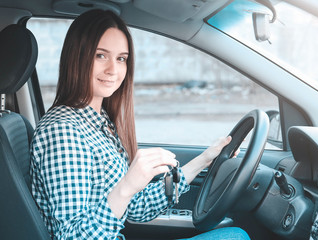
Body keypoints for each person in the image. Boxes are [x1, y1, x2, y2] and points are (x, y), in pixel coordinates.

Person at [30, 9, 250, 240]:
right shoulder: (63, 132)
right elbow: (73, 237)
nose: (113, 70)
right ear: (77, 57)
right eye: (100, 55)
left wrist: (203, 160)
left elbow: (136, 208)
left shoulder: (97, 121)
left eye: (121, 58)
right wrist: (126, 186)